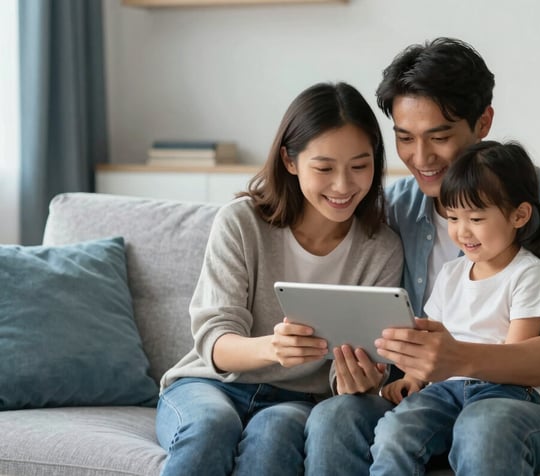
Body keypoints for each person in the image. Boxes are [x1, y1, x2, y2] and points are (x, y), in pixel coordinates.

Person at [305, 38, 540, 475]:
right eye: (405, 139)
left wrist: (458, 359)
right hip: (433, 397)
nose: (421, 158)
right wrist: (362, 371)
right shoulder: (396, 208)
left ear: (483, 121)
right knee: (334, 418)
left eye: (440, 137)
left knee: (485, 425)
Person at [155, 81, 403, 476]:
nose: (344, 185)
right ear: (290, 161)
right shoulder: (241, 223)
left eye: (360, 166)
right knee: (209, 425)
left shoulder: (381, 248)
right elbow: (214, 341)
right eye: (324, 168)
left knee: (275, 435)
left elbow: (355, 364)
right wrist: (273, 348)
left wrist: (359, 378)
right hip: (208, 386)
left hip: (298, 399)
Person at [370, 140, 540, 474]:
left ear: (519, 215)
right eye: (453, 218)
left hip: (507, 388)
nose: (462, 231)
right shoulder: (451, 273)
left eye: (475, 218)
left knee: (477, 428)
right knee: (394, 431)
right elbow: (433, 335)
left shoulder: (530, 274)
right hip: (448, 388)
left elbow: (515, 357)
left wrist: (456, 363)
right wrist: (413, 377)